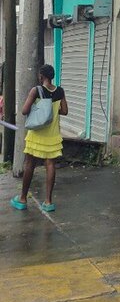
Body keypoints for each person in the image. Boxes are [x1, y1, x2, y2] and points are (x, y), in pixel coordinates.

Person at [10, 64, 68, 213]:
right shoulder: (60, 91)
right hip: (52, 135)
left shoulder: (36, 90)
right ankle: (48, 202)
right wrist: (51, 111)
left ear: (41, 76)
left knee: (30, 164)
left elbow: (24, 111)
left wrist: (39, 108)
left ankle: (22, 199)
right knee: (50, 165)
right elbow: (65, 111)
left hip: (36, 135)